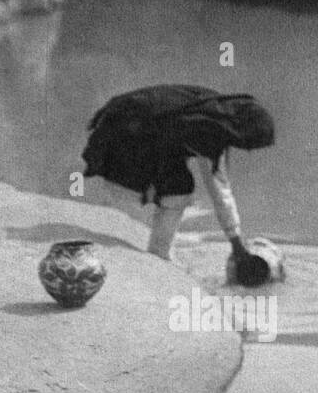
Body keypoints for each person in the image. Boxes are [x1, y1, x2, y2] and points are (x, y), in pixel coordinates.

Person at [81, 85, 275, 285]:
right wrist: (237, 244)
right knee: (178, 190)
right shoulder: (209, 129)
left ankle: (158, 254)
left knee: (175, 182)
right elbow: (219, 191)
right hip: (127, 133)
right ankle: (158, 256)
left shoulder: (213, 108)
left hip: (127, 120)